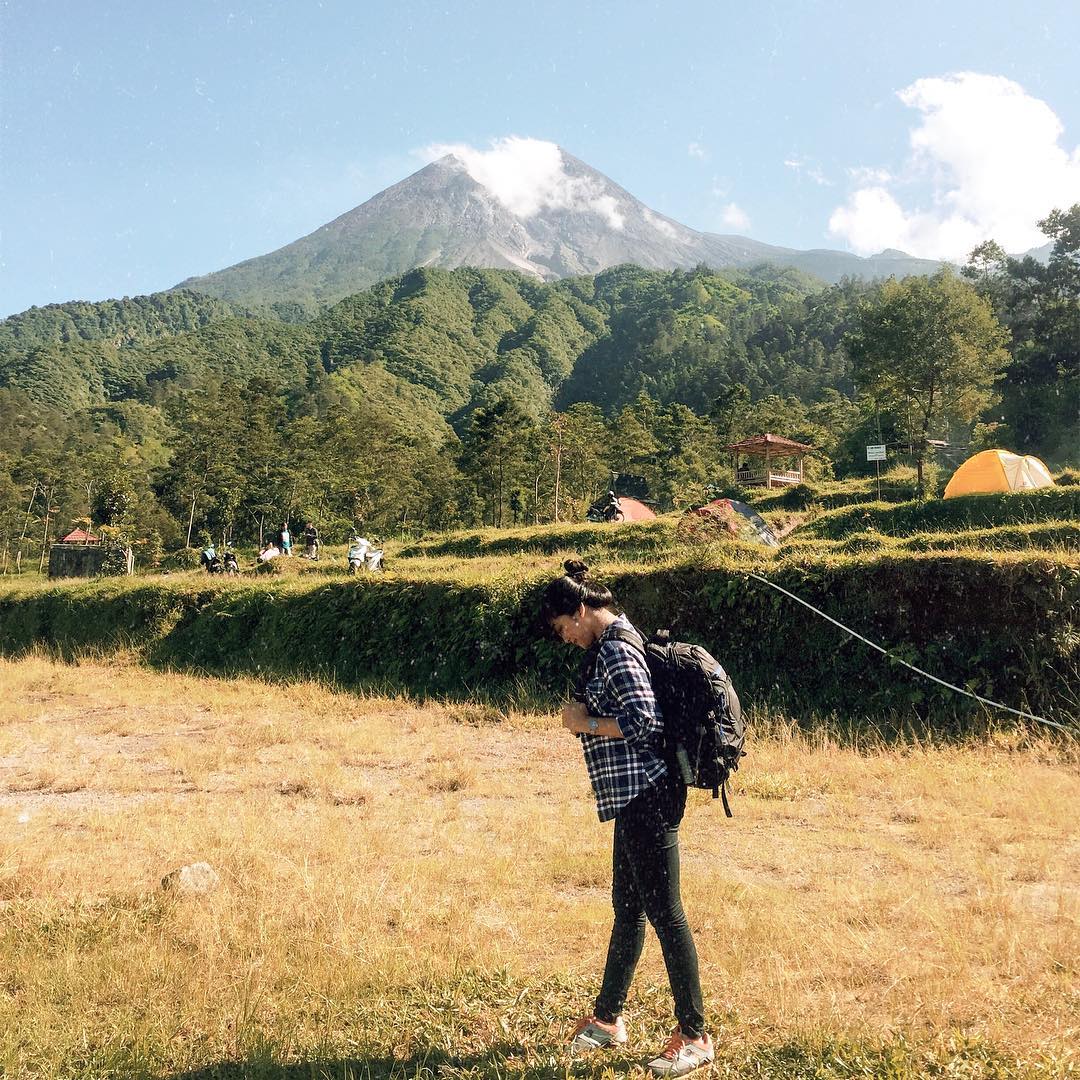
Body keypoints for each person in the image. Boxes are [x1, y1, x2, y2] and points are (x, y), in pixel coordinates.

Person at [539, 560, 713, 1077]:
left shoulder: (616, 648)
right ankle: (609, 1019)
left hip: (650, 794)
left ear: (579, 610)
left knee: (666, 914)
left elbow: (644, 724)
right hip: (633, 797)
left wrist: (583, 722)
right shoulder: (610, 643)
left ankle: (696, 1034)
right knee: (628, 909)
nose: (565, 638)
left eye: (562, 628)